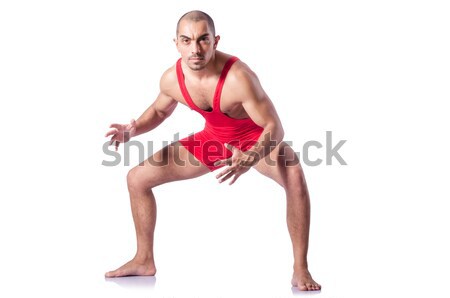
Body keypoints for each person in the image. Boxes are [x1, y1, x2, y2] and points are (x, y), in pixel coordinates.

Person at [104, 10, 321, 291]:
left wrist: (251, 156)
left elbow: (274, 127)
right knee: (136, 178)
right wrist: (133, 131)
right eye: (187, 40)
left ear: (215, 40)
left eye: (203, 39)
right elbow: (159, 111)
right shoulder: (172, 79)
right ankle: (144, 259)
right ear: (177, 43)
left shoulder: (239, 77)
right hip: (214, 138)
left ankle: (300, 269)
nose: (195, 48)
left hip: (256, 138)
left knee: (294, 174)